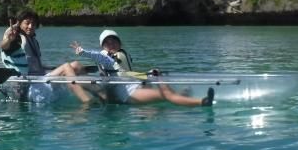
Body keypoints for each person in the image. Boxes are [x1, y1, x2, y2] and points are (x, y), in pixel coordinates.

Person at [67, 29, 214, 106]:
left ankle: (180, 96)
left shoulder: (121, 55)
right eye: (107, 42)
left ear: (119, 43)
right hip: (127, 93)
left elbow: (126, 73)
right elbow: (97, 57)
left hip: (133, 84)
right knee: (165, 95)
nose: (111, 44)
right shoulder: (106, 57)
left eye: (114, 41)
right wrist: (83, 51)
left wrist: (148, 74)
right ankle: (202, 102)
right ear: (102, 46)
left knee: (159, 79)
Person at [1, 10, 91, 102]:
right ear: (19, 24)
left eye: (33, 24)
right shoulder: (16, 40)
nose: (30, 26)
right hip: (31, 87)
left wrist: (56, 68)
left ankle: (102, 94)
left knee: (76, 65)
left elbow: (36, 66)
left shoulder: (33, 41)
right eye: (27, 23)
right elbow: (4, 47)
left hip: (40, 80)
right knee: (66, 67)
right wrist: (8, 39)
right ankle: (87, 102)